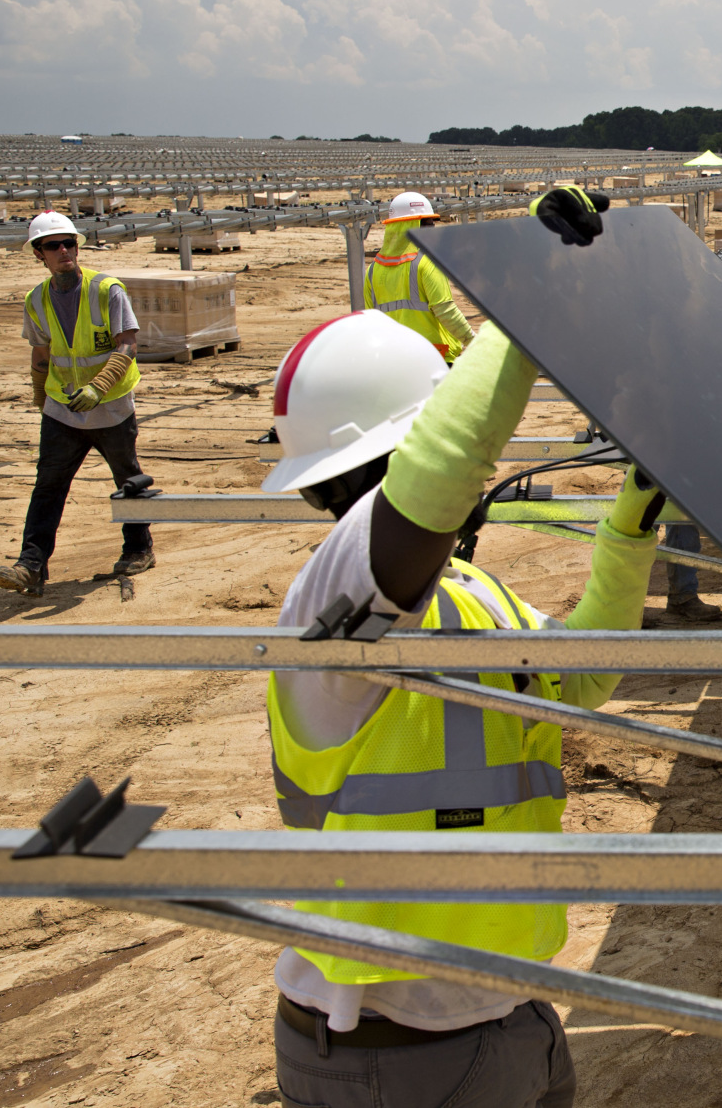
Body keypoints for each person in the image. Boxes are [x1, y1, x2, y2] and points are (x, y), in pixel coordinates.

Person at [261, 186, 646, 1108]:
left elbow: (579, 680)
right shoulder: (332, 597)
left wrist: (630, 528)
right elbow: (432, 485)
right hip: (395, 1052)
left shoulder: (470, 596)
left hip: (501, 1016)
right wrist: (524, 314)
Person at [0, 212, 153, 596]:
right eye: (53, 245)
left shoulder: (106, 289)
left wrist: (98, 387)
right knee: (48, 484)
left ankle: (138, 548)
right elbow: (41, 354)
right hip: (62, 409)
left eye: (69, 243)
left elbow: (128, 344)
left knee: (127, 478)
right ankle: (31, 564)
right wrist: (39, 397)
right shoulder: (37, 299)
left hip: (110, 406)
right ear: (38, 254)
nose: (64, 251)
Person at [366, 192, 476, 361]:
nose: (433, 231)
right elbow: (446, 311)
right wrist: (474, 341)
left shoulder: (373, 270)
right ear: (411, 226)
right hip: (433, 358)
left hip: (393, 360)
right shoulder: (427, 263)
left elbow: (371, 321)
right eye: (428, 225)